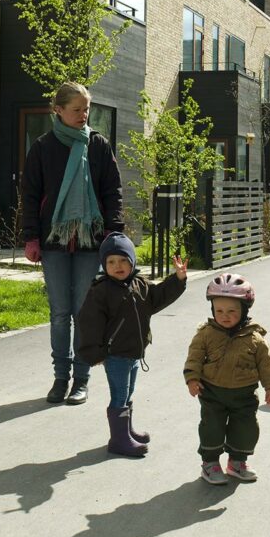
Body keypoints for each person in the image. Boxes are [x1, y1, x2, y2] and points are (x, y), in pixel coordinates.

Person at [21, 81, 124, 406]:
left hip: (91, 242)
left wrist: (113, 230)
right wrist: (31, 237)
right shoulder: (42, 147)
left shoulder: (98, 145)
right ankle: (60, 378)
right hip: (53, 241)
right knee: (59, 313)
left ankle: (81, 379)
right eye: (77, 109)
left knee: (83, 312)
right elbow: (30, 194)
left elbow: (112, 191)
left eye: (86, 109)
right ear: (59, 111)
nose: (83, 115)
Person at [75, 233, 187, 457]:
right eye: (111, 262)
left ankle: (125, 431)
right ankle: (118, 440)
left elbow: (158, 297)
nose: (118, 266)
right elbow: (88, 323)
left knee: (128, 392)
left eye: (123, 260)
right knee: (119, 395)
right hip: (115, 354)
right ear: (104, 265)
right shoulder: (101, 290)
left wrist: (178, 279)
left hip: (134, 353)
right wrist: (94, 353)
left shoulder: (139, 284)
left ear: (132, 262)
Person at [184, 274, 270, 484]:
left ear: (244, 311)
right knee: (212, 428)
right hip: (212, 393)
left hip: (244, 394)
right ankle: (210, 464)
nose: (225, 316)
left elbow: (266, 364)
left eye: (231, 311)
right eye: (219, 311)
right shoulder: (206, 333)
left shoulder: (255, 338)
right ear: (212, 311)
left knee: (245, 428)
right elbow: (195, 357)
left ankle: (237, 463)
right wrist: (192, 378)